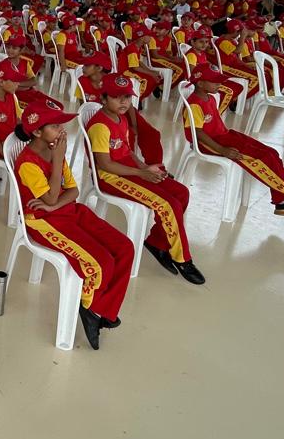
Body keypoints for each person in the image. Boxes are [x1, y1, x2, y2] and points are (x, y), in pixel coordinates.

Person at [14, 106, 132, 350]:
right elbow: (52, 196)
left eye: (61, 125)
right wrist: (57, 163)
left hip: (68, 212)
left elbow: (73, 191)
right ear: (37, 131)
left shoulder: (54, 149)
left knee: (124, 248)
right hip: (43, 222)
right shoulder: (29, 163)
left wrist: (52, 203)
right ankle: (89, 306)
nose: (62, 130)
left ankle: (101, 309)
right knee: (101, 263)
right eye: (56, 126)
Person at [86, 74, 205, 284]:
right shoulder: (99, 126)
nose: (123, 102)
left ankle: (157, 243)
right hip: (111, 178)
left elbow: (127, 151)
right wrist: (142, 173)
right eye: (116, 97)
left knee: (181, 192)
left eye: (127, 97)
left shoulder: (121, 118)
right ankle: (183, 259)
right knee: (167, 204)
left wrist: (144, 166)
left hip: (131, 170)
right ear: (103, 99)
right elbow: (105, 165)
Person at [184, 68, 284, 216]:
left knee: (271, 153)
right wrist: (222, 150)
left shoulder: (209, 97)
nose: (219, 85)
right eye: (214, 82)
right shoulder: (194, 104)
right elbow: (197, 132)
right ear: (200, 83)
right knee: (262, 159)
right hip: (209, 144)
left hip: (225, 136)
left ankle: (282, 201)